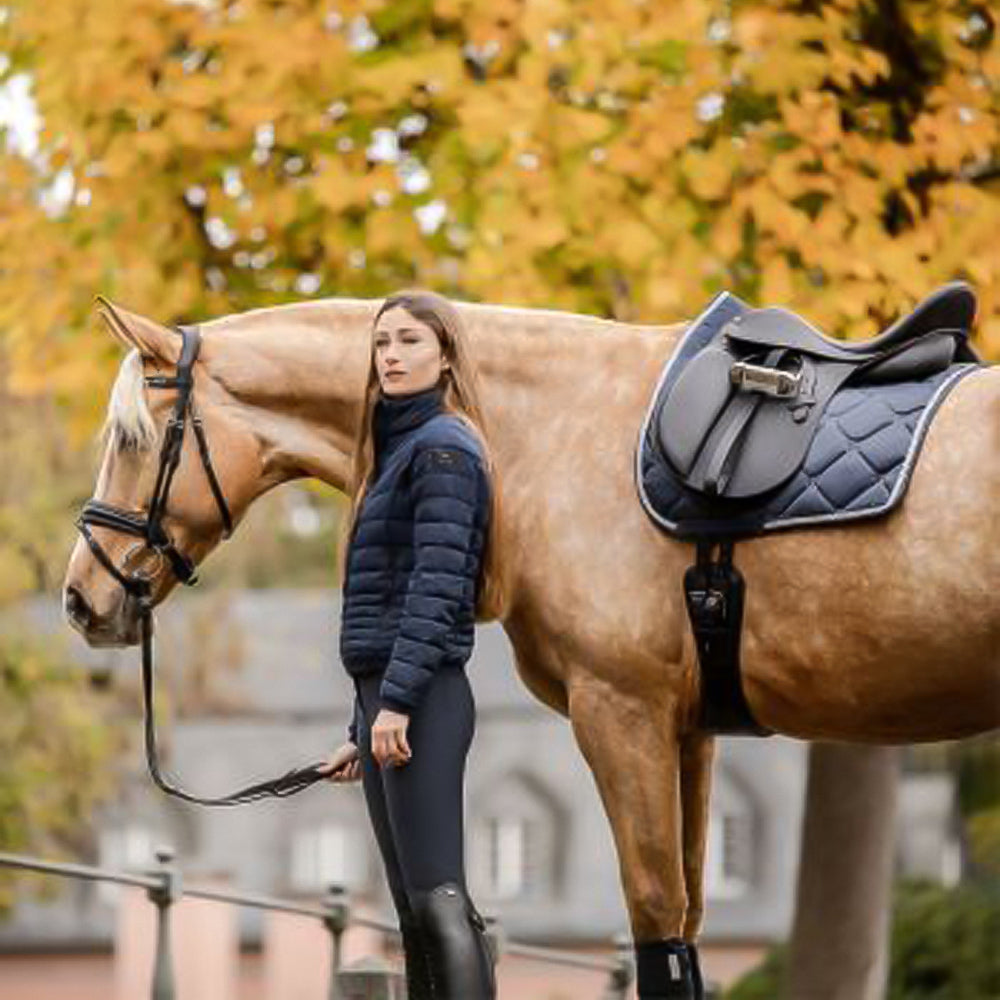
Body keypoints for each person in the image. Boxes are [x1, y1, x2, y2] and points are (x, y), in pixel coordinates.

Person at [316, 289, 508, 1000]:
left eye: (409, 342)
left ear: (447, 356)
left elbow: (436, 589)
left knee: (439, 899)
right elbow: (386, 599)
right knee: (412, 912)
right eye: (382, 343)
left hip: (423, 699)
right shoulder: (394, 453)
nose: (390, 356)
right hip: (388, 704)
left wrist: (394, 703)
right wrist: (360, 726)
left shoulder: (446, 451)